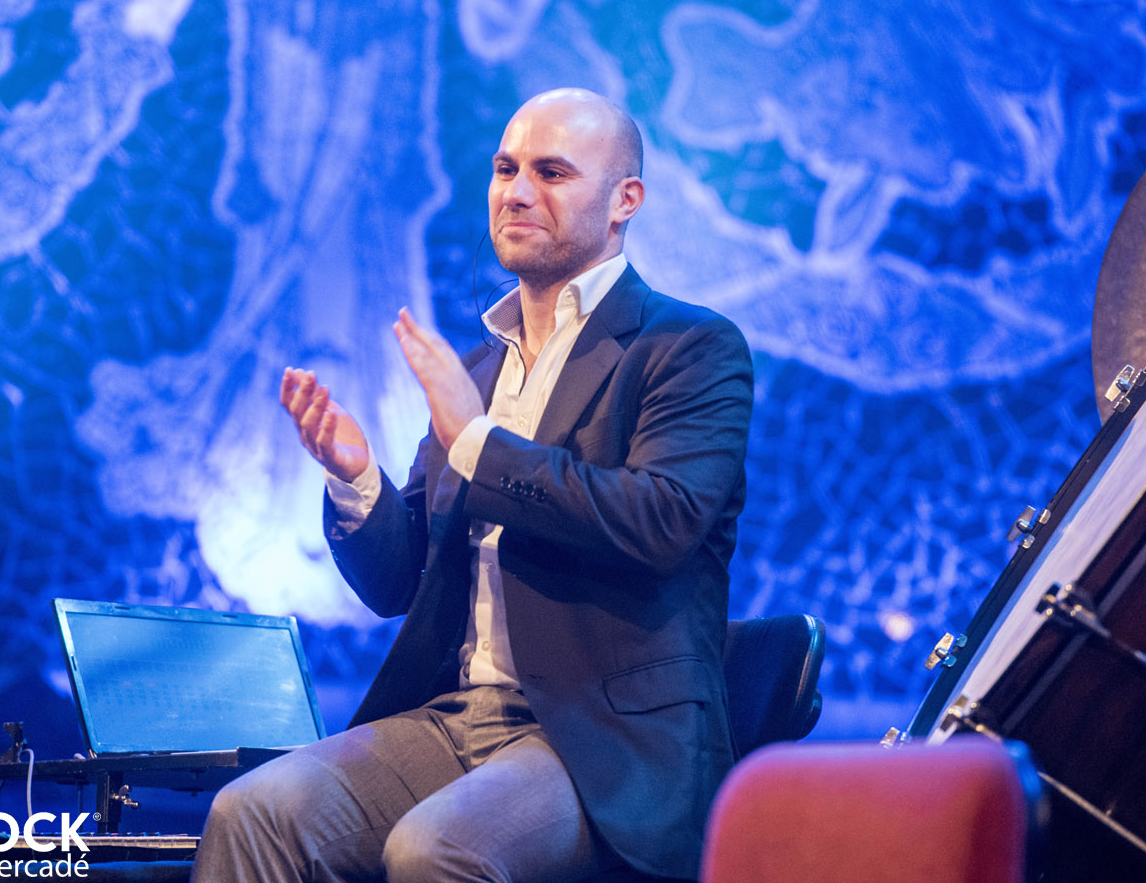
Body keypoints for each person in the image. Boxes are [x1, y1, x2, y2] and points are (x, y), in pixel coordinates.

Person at [190, 88, 754, 882]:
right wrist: (355, 481)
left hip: (606, 739)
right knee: (252, 812)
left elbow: (660, 522)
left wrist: (478, 444)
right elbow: (399, 582)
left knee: (436, 849)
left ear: (625, 200)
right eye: (504, 169)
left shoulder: (687, 347)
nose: (516, 192)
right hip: (455, 717)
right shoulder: (481, 369)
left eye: (551, 173)